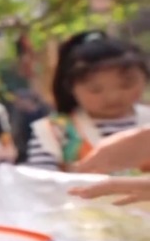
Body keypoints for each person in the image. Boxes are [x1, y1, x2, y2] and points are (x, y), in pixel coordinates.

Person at [24, 30, 150, 172]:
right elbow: (40, 180)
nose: (112, 97)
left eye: (126, 85)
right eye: (95, 90)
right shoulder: (55, 132)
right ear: (71, 87)